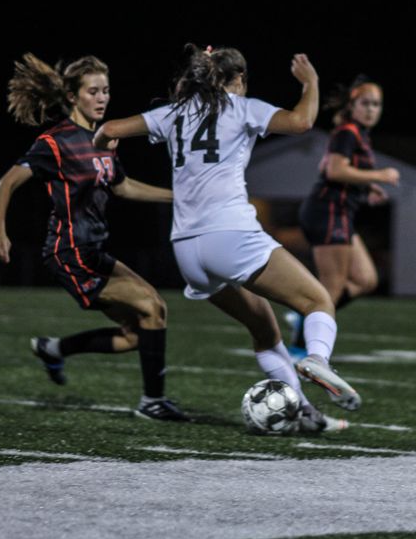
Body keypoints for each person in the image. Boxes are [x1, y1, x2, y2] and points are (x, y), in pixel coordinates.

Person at [92, 45, 361, 435]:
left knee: (264, 330)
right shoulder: (242, 106)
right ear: (238, 80)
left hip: (187, 250)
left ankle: (304, 413)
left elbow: (108, 130)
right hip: (231, 236)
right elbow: (303, 122)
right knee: (318, 301)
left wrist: (105, 148)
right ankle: (318, 358)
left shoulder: (175, 112)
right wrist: (311, 83)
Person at [0, 52, 188, 422]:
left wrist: (178, 196)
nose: (102, 98)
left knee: (136, 333)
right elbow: (7, 183)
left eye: (106, 91)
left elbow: (124, 187)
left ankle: (55, 349)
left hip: (93, 249)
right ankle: (153, 402)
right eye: (93, 91)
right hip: (71, 253)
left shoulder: (105, 139)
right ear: (73, 97)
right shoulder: (55, 141)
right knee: (153, 307)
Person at [290, 76, 400, 354]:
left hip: (340, 214)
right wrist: (380, 175)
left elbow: (330, 166)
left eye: (377, 104)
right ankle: (300, 347)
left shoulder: (357, 133)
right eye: (366, 103)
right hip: (328, 211)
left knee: (366, 280)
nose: (372, 109)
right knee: (333, 286)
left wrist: (368, 185)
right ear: (352, 105)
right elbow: (334, 171)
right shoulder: (347, 132)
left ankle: (306, 317)